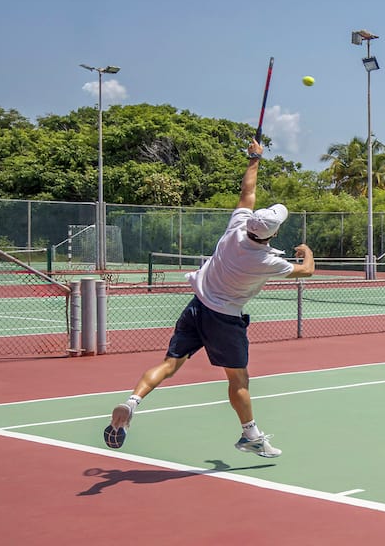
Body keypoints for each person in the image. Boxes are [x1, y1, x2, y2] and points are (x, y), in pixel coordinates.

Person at [103, 139, 314, 456]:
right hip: (224, 319)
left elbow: (247, 193)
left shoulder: (237, 227)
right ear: (271, 235)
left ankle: (132, 401)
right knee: (239, 379)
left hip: (197, 306)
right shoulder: (265, 261)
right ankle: (249, 435)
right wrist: (306, 252)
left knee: (170, 364)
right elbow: (307, 271)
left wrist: (254, 159)